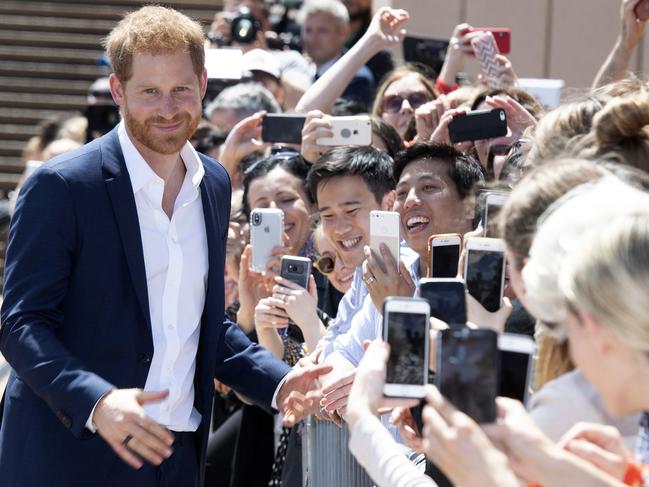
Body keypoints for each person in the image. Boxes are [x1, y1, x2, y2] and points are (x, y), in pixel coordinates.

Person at [0, 7, 329, 486]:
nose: (169, 108)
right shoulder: (62, 186)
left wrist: (278, 382)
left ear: (202, 81)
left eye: (180, 89)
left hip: (176, 461)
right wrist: (96, 400)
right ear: (118, 91)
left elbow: (201, 322)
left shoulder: (213, 183)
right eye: (149, 92)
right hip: (71, 458)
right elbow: (21, 324)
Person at [298, 0, 375, 107]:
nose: (312, 39)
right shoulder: (299, 69)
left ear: (343, 32)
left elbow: (340, 115)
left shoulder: (357, 78)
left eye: (322, 31)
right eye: (308, 30)